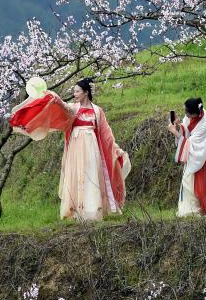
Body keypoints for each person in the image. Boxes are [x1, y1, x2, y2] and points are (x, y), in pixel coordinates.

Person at [9, 77, 130, 221]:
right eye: (74, 92)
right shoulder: (74, 108)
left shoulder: (97, 111)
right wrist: (56, 99)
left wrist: (114, 148)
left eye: (77, 91)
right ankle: (77, 210)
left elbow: (105, 133)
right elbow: (64, 107)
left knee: (92, 173)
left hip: (92, 147)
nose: (75, 94)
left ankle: (93, 210)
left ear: (85, 92)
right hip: (76, 147)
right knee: (78, 175)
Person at [167, 97, 206, 216]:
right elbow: (187, 130)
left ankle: (204, 208)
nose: (185, 115)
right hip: (195, 151)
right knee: (188, 182)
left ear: (194, 113)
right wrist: (178, 125)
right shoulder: (192, 115)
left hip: (203, 153)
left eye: (187, 112)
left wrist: (174, 132)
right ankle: (190, 209)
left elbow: (192, 144)